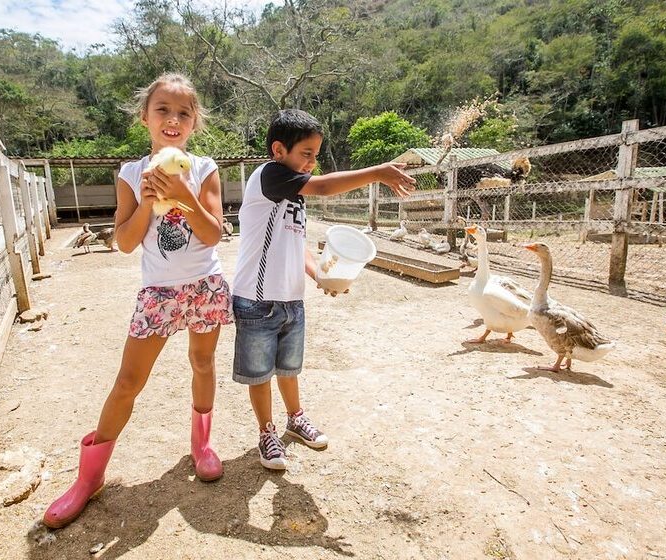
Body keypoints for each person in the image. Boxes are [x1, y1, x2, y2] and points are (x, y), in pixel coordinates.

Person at [43, 72, 233, 528]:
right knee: (129, 380)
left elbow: (213, 234)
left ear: (194, 123)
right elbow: (125, 242)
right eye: (163, 110)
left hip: (204, 285)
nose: (173, 119)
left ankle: (201, 445)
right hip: (159, 292)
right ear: (145, 117)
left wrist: (183, 194)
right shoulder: (129, 174)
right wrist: (149, 200)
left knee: (202, 364)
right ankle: (88, 478)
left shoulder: (203, 168)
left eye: (183, 113)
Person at [232, 109, 415, 469]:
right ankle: (266, 432)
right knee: (260, 373)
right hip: (257, 299)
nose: (312, 163)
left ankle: (295, 419)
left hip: (290, 298)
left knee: (288, 368)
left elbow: (296, 243)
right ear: (278, 149)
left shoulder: (293, 191)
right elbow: (327, 186)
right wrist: (376, 172)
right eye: (306, 154)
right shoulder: (270, 175)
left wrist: (319, 275)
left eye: (316, 155)